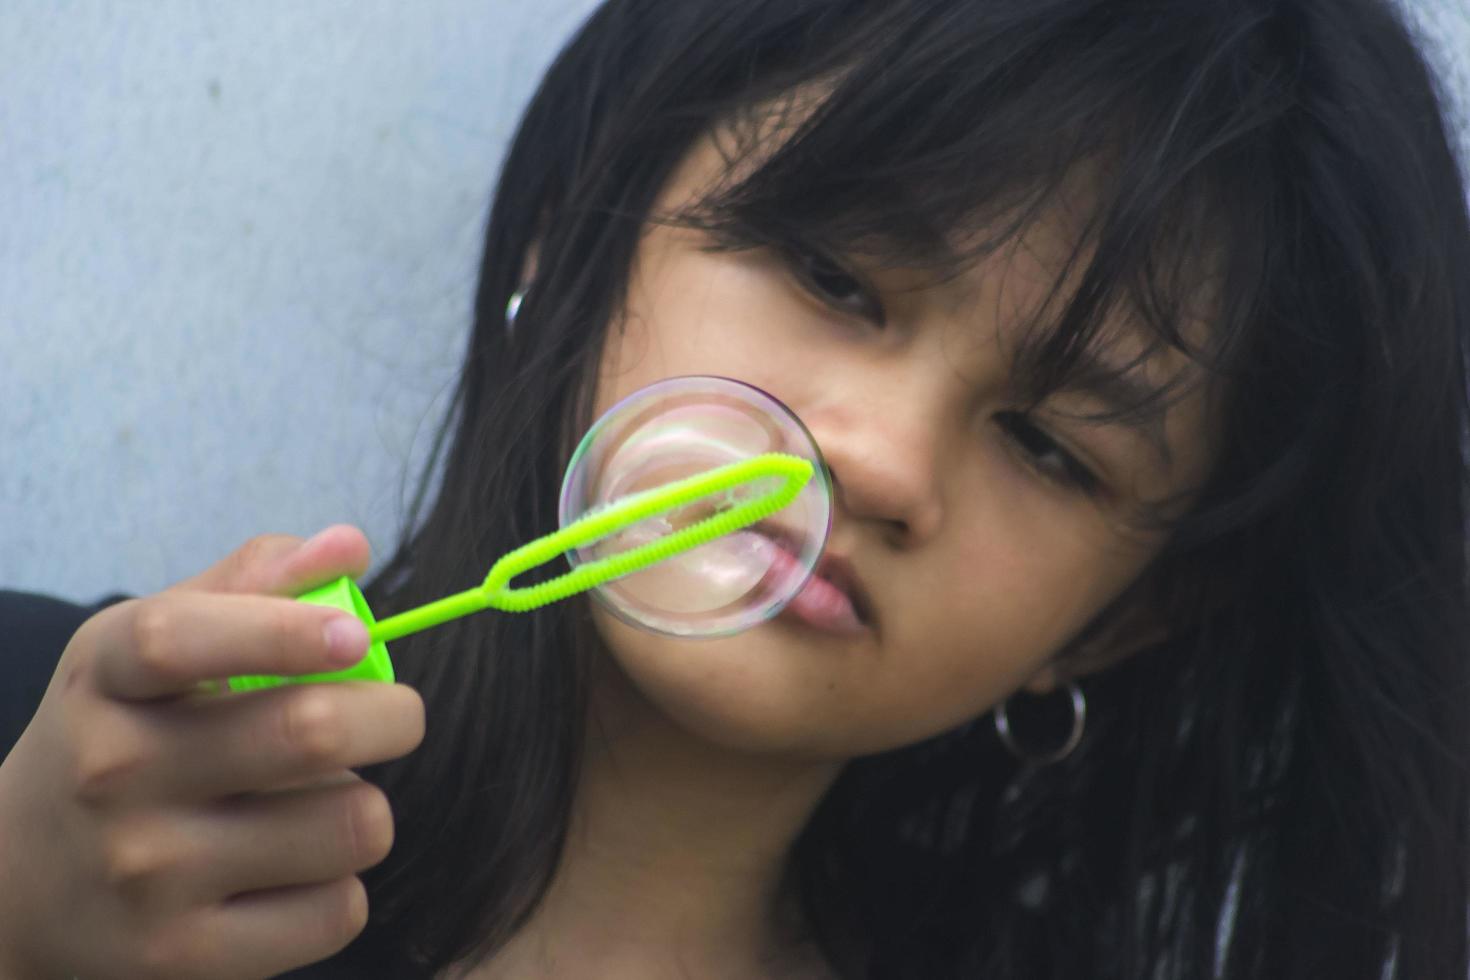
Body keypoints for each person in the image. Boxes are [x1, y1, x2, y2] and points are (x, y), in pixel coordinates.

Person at [2, 0, 1467, 976]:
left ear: (1122, 619)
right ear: (573, 239)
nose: (880, 459)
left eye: (1051, 447)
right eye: (833, 276)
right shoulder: (48, 762)